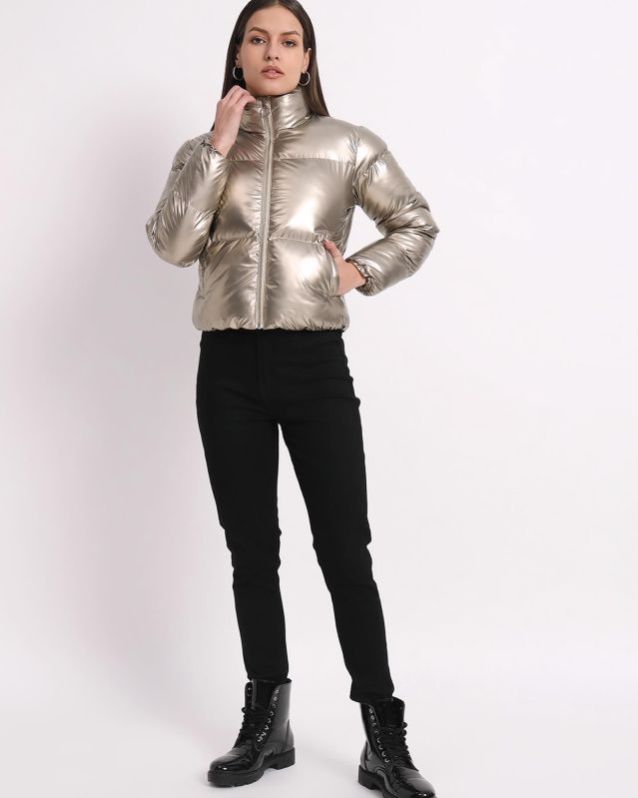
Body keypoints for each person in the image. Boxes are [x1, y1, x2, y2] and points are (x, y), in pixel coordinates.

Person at [145, 1, 440, 794]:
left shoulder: (348, 144)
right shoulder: (203, 150)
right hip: (227, 369)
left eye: (288, 41)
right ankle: (267, 720)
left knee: (345, 550)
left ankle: (383, 735)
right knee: (252, 551)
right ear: (238, 54)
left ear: (307, 58)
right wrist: (215, 148)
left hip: (314, 365)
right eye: (258, 39)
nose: (272, 52)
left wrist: (362, 271)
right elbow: (172, 244)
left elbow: (415, 223)